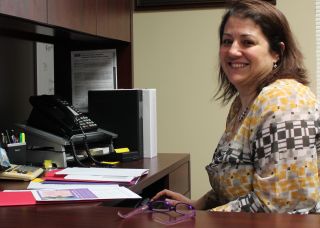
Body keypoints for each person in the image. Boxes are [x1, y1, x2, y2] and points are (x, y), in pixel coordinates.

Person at [152, 0, 320, 213]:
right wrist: (197, 205)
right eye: (227, 41)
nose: (232, 51)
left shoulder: (285, 100)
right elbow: (237, 180)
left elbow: (279, 207)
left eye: (247, 42)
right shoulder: (241, 104)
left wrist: (196, 219)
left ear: (277, 51)